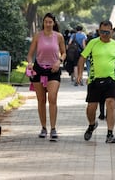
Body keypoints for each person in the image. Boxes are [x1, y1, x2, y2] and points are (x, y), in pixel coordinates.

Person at [77, 20, 115, 144]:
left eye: (107, 32)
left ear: (112, 32)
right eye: (102, 31)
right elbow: (82, 58)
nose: (104, 34)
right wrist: (80, 74)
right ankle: (92, 125)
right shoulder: (93, 43)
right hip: (94, 80)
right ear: (98, 31)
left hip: (111, 80)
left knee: (111, 103)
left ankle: (110, 133)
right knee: (91, 108)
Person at [26, 13, 66, 141]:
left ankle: (53, 129)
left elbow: (64, 52)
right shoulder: (38, 36)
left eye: (50, 22)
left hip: (53, 70)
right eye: (46, 22)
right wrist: (30, 63)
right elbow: (30, 54)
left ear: (54, 23)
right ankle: (44, 127)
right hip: (38, 70)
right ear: (43, 23)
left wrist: (59, 61)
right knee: (41, 100)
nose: (48, 24)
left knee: (52, 98)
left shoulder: (58, 36)